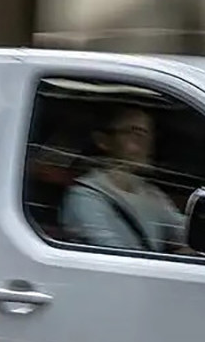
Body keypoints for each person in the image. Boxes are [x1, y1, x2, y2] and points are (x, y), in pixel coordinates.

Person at [60, 105, 189, 253]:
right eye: (136, 133)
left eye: (148, 135)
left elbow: (187, 235)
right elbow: (115, 257)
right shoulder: (85, 197)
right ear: (103, 141)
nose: (146, 144)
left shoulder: (150, 193)